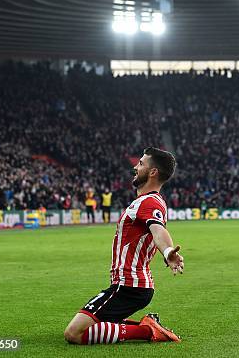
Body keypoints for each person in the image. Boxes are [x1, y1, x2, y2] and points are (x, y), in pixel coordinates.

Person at [64, 147, 184, 345]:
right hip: (130, 285)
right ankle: (148, 326)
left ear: (153, 172)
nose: (135, 167)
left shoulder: (150, 202)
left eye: (141, 163)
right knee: (95, 324)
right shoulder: (145, 202)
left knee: (74, 333)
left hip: (130, 286)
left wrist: (168, 251)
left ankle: (148, 331)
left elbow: (158, 230)